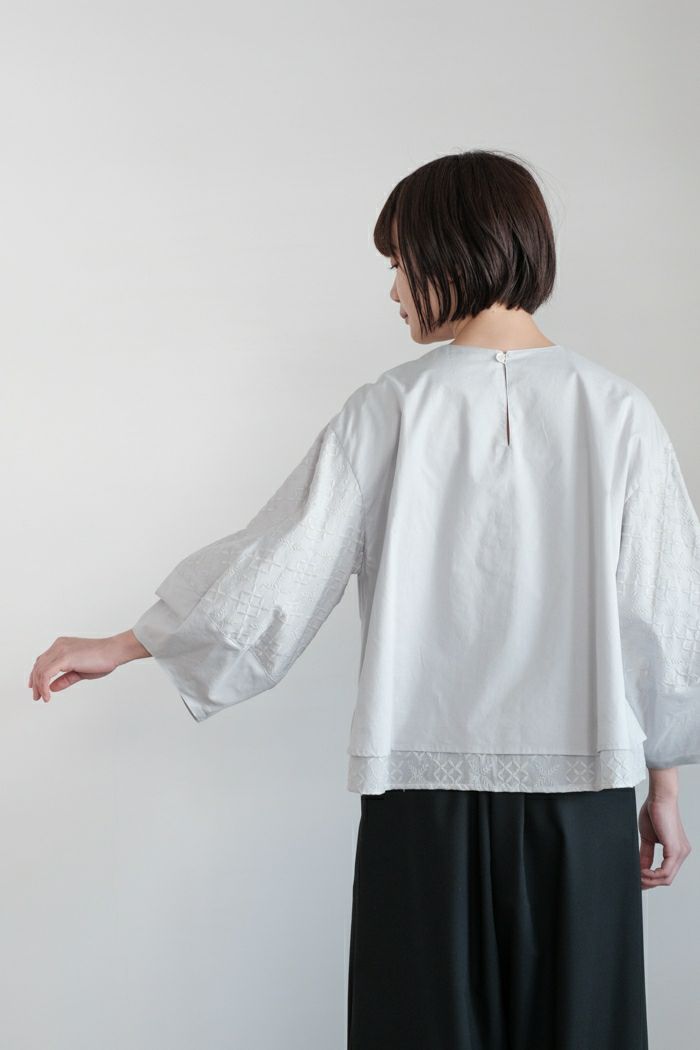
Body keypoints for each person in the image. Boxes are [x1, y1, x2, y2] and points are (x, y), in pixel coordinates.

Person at [27, 149, 698, 1050]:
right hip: (585, 792)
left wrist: (126, 642)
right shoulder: (619, 412)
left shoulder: (390, 409)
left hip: (420, 797)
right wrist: (663, 781)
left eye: (400, 263)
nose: (393, 291)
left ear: (453, 252)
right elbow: (664, 614)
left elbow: (278, 567)